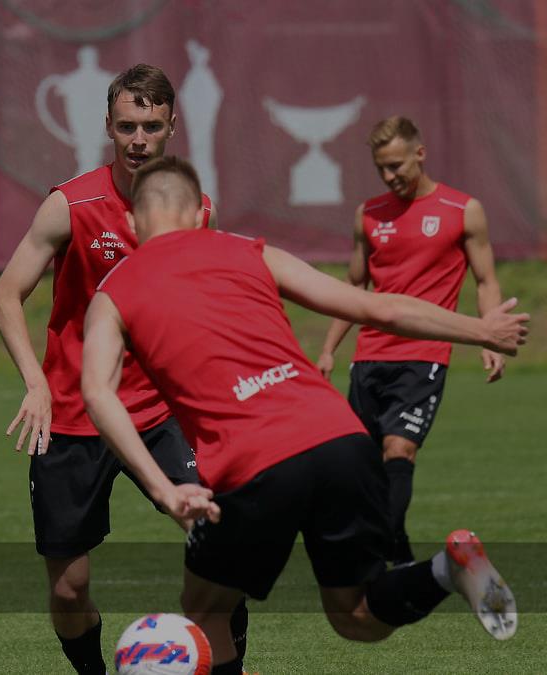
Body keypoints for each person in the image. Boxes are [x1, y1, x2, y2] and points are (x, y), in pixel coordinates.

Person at [83, 157, 524, 674]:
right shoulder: (250, 251)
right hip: (341, 439)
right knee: (356, 615)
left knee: (205, 610)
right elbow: (376, 307)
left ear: (131, 222)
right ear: (202, 214)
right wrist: (482, 330)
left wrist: (163, 489)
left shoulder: (114, 291)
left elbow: (98, 393)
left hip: (255, 461)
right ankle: (448, 569)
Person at [0, 63, 242, 674]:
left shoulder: (197, 210)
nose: (138, 140)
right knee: (68, 587)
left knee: (225, 539)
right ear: (107, 125)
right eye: (127, 126)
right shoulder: (69, 205)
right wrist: (35, 384)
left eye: (151, 127)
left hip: (161, 412)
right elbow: (5, 295)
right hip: (74, 416)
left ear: (172, 127)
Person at [316, 116, 507, 564]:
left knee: (399, 449)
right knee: (363, 468)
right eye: (381, 168)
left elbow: (485, 280)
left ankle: (375, 554)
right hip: (369, 357)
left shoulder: (463, 210)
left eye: (396, 165)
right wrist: (328, 349)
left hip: (423, 356)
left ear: (420, 154)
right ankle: (399, 557)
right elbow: (354, 286)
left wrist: (490, 336)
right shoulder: (368, 214)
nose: (389, 176)